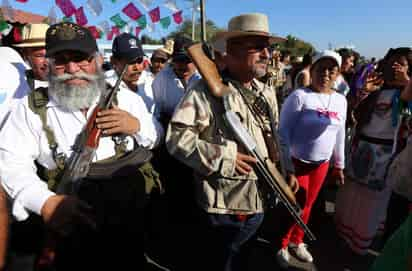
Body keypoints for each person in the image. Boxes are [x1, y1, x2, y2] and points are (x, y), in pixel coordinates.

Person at [0, 22, 163, 270]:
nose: (73, 69)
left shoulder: (127, 99)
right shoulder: (30, 108)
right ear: (50, 64)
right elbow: (11, 163)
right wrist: (45, 202)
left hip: (128, 221)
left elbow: (156, 136)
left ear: (98, 60)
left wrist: (136, 126)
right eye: (61, 61)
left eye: (81, 59)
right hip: (69, 223)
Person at [166, 13, 297, 271]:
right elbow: (176, 139)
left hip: (260, 198)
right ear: (233, 51)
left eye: (268, 47)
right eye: (258, 47)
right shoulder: (204, 92)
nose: (267, 54)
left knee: (243, 259)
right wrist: (225, 157)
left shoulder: (266, 91)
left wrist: (286, 169)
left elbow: (276, 134)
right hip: (225, 205)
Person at [334, 47, 412, 255]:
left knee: (372, 203)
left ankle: (361, 243)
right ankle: (344, 235)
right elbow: (353, 114)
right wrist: (362, 92)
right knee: (352, 195)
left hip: (385, 155)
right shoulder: (376, 90)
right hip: (362, 149)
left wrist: (407, 84)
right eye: (392, 62)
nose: (395, 67)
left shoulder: (406, 95)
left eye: (401, 63)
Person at [275, 50, 347, 268]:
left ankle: (298, 240)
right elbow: (283, 133)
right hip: (297, 163)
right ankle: (282, 244)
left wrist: (339, 165)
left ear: (337, 74)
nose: (326, 73)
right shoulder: (300, 96)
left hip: (322, 165)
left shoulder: (340, 100)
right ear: (312, 70)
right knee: (294, 205)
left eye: (331, 70)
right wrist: (288, 168)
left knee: (309, 206)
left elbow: (340, 134)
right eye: (321, 69)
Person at [109, 33, 164, 118]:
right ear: (114, 62)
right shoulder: (107, 90)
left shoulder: (150, 82)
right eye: (130, 61)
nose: (137, 67)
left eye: (139, 60)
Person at [152, 35, 201, 125]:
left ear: (195, 60)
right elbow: (157, 108)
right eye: (178, 60)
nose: (182, 65)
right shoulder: (162, 78)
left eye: (186, 60)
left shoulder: (202, 79)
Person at [13, 23, 50, 89]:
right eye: (39, 55)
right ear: (25, 54)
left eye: (51, 54)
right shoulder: (15, 84)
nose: (47, 62)